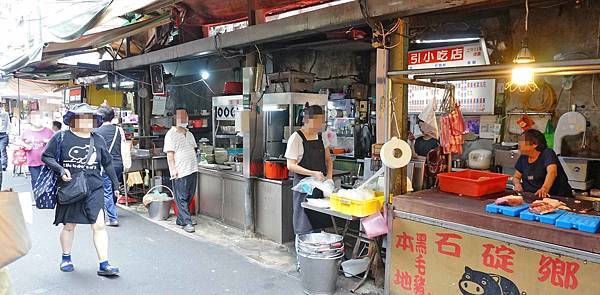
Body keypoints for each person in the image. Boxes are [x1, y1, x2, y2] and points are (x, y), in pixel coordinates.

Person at [41, 103, 121, 276]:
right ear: (73, 120)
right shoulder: (61, 137)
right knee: (69, 225)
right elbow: (46, 156)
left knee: (99, 225)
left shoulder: (98, 139)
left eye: (89, 118)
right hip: (71, 187)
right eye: (81, 118)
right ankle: (66, 257)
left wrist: (116, 185)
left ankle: (104, 264)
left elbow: (107, 163)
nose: (86, 122)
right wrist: (61, 170)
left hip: (94, 187)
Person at [285, 104, 333, 236]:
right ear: (307, 120)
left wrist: (329, 177)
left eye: (322, 121)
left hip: (320, 186)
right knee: (303, 223)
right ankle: (302, 252)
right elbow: (290, 165)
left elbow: (328, 159)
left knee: (319, 221)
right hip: (303, 186)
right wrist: (312, 173)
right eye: (318, 121)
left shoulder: (321, 137)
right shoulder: (296, 138)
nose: (320, 124)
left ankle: (317, 252)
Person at [164, 108, 198, 233]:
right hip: (180, 170)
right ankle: (187, 222)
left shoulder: (189, 134)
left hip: (192, 169)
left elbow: (193, 149)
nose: (184, 119)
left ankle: (181, 218)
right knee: (181, 197)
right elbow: (170, 154)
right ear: (175, 119)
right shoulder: (171, 134)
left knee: (190, 195)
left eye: (185, 116)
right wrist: (173, 169)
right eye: (181, 117)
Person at [513, 129, 572, 198]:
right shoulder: (523, 157)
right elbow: (516, 177)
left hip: (556, 197)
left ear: (535, 144)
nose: (519, 144)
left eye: (522, 142)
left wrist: (544, 188)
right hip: (532, 197)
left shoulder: (547, 153)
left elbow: (552, 172)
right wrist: (517, 184)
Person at [95, 107, 126, 227]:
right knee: (114, 188)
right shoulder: (119, 130)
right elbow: (124, 145)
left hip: (106, 166)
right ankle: (111, 208)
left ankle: (113, 218)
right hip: (119, 163)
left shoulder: (97, 131)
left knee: (107, 190)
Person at [20, 111, 54, 189]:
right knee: (35, 181)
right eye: (34, 118)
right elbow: (20, 141)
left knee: (46, 182)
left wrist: (48, 141)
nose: (37, 120)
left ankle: (45, 199)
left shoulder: (49, 131)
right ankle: (37, 199)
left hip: (47, 162)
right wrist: (26, 145)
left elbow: (56, 143)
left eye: (39, 118)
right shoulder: (27, 131)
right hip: (33, 162)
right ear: (31, 120)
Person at [0, 102, 10, 171]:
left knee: (2, 149)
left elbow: (8, 123)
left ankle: (4, 165)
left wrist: (7, 133)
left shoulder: (5, 114)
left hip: (3, 134)